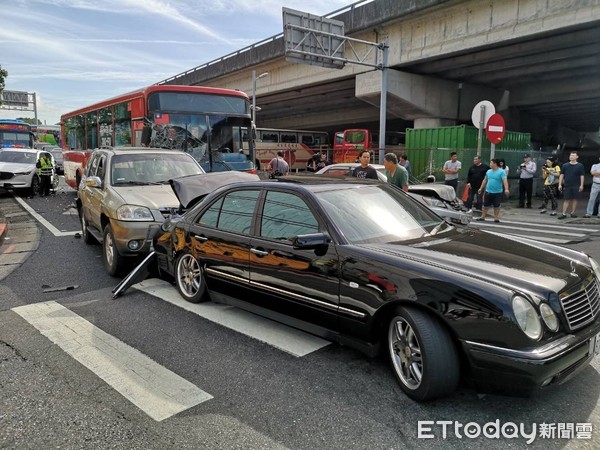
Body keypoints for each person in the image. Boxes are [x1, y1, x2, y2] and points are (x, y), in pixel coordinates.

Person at [476, 158, 509, 223]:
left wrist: (506, 189)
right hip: (488, 191)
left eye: (491, 163)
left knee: (496, 205)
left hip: (497, 192)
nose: (490, 164)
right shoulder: (488, 171)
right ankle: (482, 217)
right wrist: (481, 188)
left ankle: (496, 218)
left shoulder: (501, 171)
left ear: (495, 164)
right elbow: (485, 180)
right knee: (485, 205)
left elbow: (505, 181)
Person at [557, 151, 585, 219]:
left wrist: (581, 185)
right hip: (567, 185)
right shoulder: (565, 165)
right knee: (566, 199)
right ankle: (564, 213)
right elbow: (561, 175)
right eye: (570, 155)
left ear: (577, 157)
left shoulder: (580, 166)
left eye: (573, 155)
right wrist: (560, 184)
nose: (571, 156)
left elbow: (582, 176)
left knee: (575, 199)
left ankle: (573, 212)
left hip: (576, 185)